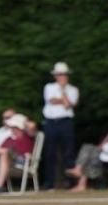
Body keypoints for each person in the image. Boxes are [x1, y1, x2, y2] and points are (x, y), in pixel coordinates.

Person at [42, 62, 79, 190]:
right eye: (59, 74)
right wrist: (63, 100)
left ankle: (70, 181)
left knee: (69, 152)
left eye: (64, 74)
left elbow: (69, 104)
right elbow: (51, 100)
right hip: (51, 122)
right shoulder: (49, 87)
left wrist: (63, 92)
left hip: (65, 122)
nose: (62, 77)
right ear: (55, 76)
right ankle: (49, 182)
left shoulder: (73, 89)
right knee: (50, 152)